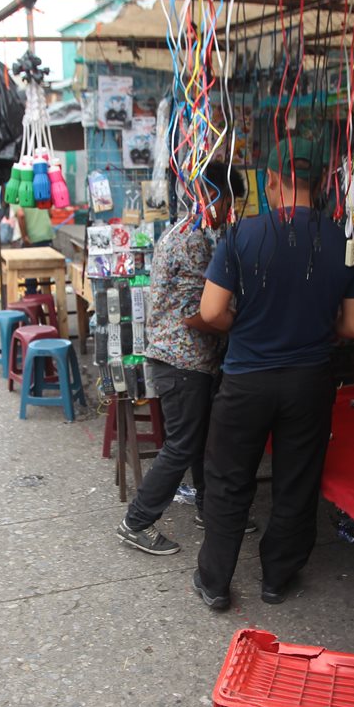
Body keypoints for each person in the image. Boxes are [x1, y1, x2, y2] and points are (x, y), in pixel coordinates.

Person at [193, 139, 354, 610]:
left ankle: (214, 582)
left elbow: (210, 312)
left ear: (270, 180)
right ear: (318, 185)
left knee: (229, 479)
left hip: (247, 380)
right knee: (297, 480)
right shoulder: (344, 240)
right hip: (309, 381)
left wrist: (246, 322)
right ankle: (277, 578)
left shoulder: (242, 235)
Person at [116, 161, 249, 556]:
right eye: (229, 200)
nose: (231, 210)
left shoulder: (189, 231)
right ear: (215, 195)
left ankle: (211, 511)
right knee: (183, 444)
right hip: (182, 361)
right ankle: (136, 521)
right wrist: (236, 325)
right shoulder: (192, 240)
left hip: (190, 360)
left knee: (202, 441)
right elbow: (197, 311)